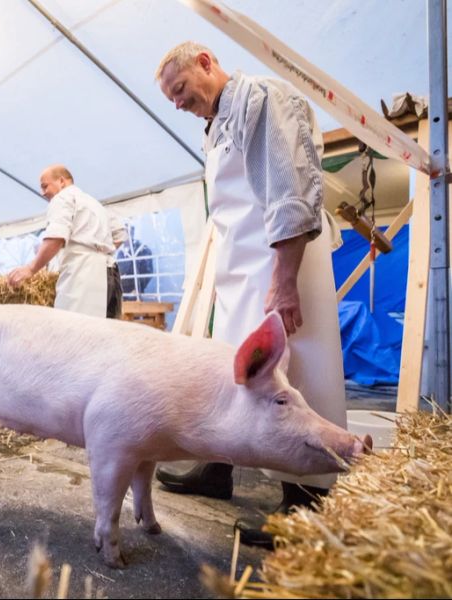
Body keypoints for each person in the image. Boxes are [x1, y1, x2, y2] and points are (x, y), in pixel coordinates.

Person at [153, 42, 346, 548]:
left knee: (293, 373)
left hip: (278, 259)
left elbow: (290, 185)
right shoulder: (217, 124)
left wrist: (284, 279)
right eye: (170, 99)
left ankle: (306, 500)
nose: (176, 103)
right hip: (245, 263)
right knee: (236, 371)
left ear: (206, 63)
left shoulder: (261, 96)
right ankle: (219, 468)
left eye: (179, 89)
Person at [8, 165, 119, 319]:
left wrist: (30, 269)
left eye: (45, 186)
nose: (43, 193)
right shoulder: (94, 203)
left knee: (75, 330)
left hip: (83, 273)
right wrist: (99, 250)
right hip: (110, 273)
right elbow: (120, 233)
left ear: (61, 181)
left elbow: (56, 237)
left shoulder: (62, 198)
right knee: (106, 332)